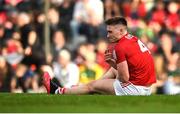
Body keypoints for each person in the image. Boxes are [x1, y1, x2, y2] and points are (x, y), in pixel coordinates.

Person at [43, 16, 156, 95]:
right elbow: (132, 71)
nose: (107, 35)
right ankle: (87, 88)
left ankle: (56, 91)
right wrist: (113, 64)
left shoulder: (120, 47)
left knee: (91, 86)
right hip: (146, 88)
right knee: (108, 73)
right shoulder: (132, 38)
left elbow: (124, 78)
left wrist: (112, 67)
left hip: (135, 89)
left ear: (121, 31)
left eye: (110, 32)